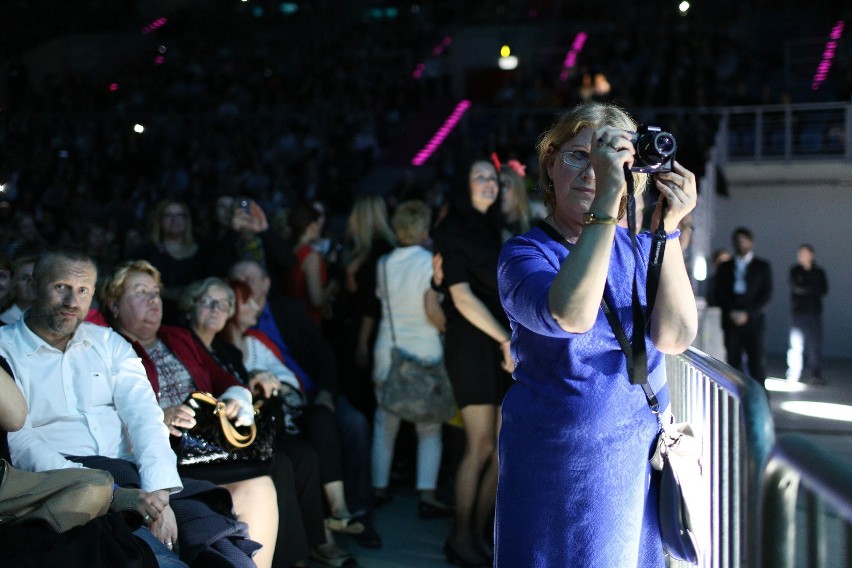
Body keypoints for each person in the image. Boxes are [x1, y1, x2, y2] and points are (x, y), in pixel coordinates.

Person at [495, 101, 698, 567]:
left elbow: (676, 336)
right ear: (550, 163)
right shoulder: (524, 253)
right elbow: (571, 315)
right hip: (557, 469)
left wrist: (668, 230)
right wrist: (608, 200)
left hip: (636, 464)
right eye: (579, 156)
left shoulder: (646, 245)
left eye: (611, 160)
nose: (594, 172)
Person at [0, 249, 198, 567]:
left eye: (82, 291)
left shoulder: (107, 342)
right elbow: (20, 443)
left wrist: (158, 493)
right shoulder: (4, 349)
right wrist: (109, 490)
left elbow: (143, 413)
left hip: (131, 471)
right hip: (61, 481)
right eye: (61, 287)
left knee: (215, 533)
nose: (71, 301)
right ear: (34, 286)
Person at [99, 259, 279, 568]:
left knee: (279, 466)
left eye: (155, 292)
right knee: (265, 480)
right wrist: (161, 416)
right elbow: (104, 417)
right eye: (141, 292)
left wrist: (235, 398)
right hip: (165, 454)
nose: (153, 300)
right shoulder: (108, 348)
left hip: (206, 441)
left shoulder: (177, 336)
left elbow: (225, 380)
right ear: (114, 305)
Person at [180, 276, 361, 567]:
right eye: (207, 302)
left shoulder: (228, 351)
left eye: (223, 304)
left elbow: (243, 385)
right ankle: (288, 557)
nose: (216, 310)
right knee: (282, 462)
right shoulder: (184, 344)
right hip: (208, 439)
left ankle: (315, 544)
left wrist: (253, 382)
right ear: (191, 306)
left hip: (240, 431)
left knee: (305, 455)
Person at [229, 259, 381, 550]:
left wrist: (325, 391)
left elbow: (323, 353)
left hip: (313, 392)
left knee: (354, 424)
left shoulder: (288, 310)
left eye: (250, 276)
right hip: (274, 406)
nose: (245, 283)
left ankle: (359, 513)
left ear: (266, 283)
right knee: (312, 439)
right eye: (238, 279)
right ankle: (326, 531)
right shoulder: (234, 323)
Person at [432, 159, 515, 566]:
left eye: (494, 178)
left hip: (500, 344)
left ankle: (477, 536)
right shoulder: (452, 228)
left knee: (501, 448)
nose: (489, 183)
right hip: (472, 343)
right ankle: (460, 536)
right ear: (462, 185)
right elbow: (461, 297)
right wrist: (506, 340)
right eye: (479, 175)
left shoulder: (493, 230)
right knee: (479, 444)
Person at [370, 200, 453, 518]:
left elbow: (382, 301)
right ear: (422, 228)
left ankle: (378, 487)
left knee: (385, 424)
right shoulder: (429, 262)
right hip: (425, 350)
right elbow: (435, 307)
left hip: (388, 352)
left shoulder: (383, 263)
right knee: (429, 429)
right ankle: (427, 493)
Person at [131, 199, 209, 325]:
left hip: (195, 320)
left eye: (179, 215)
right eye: (169, 215)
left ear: (187, 220)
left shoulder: (204, 252)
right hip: (156, 319)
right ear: (159, 221)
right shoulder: (145, 252)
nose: (175, 220)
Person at [714, 227, 773, 384]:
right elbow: (720, 292)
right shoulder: (725, 267)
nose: (741, 244)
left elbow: (766, 295)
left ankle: (760, 399)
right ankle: (737, 400)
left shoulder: (762, 267)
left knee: (757, 361)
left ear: (751, 242)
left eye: (744, 240)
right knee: (733, 361)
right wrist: (731, 312)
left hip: (753, 321)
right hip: (731, 319)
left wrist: (748, 313)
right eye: (738, 240)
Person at [785, 244, 828, 385]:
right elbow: (796, 287)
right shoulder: (795, 270)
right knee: (796, 344)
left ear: (811, 255)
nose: (801, 256)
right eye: (799, 253)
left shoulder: (818, 272)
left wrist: (806, 287)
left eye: (804, 253)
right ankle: (794, 373)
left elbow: (823, 289)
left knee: (815, 345)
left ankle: (815, 374)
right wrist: (811, 288)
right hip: (798, 312)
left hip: (814, 312)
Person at [0, 254, 36, 325]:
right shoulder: (4, 320)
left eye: (35, 277)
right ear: (13, 282)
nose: (31, 283)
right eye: (24, 278)